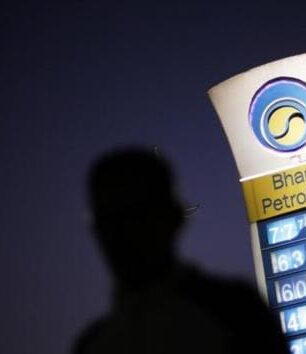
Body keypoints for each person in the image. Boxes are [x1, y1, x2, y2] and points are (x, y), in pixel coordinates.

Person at [73, 147, 289, 354]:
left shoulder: (235, 313)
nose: (123, 234)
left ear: (172, 218)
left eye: (137, 215)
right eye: (111, 219)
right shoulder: (235, 310)